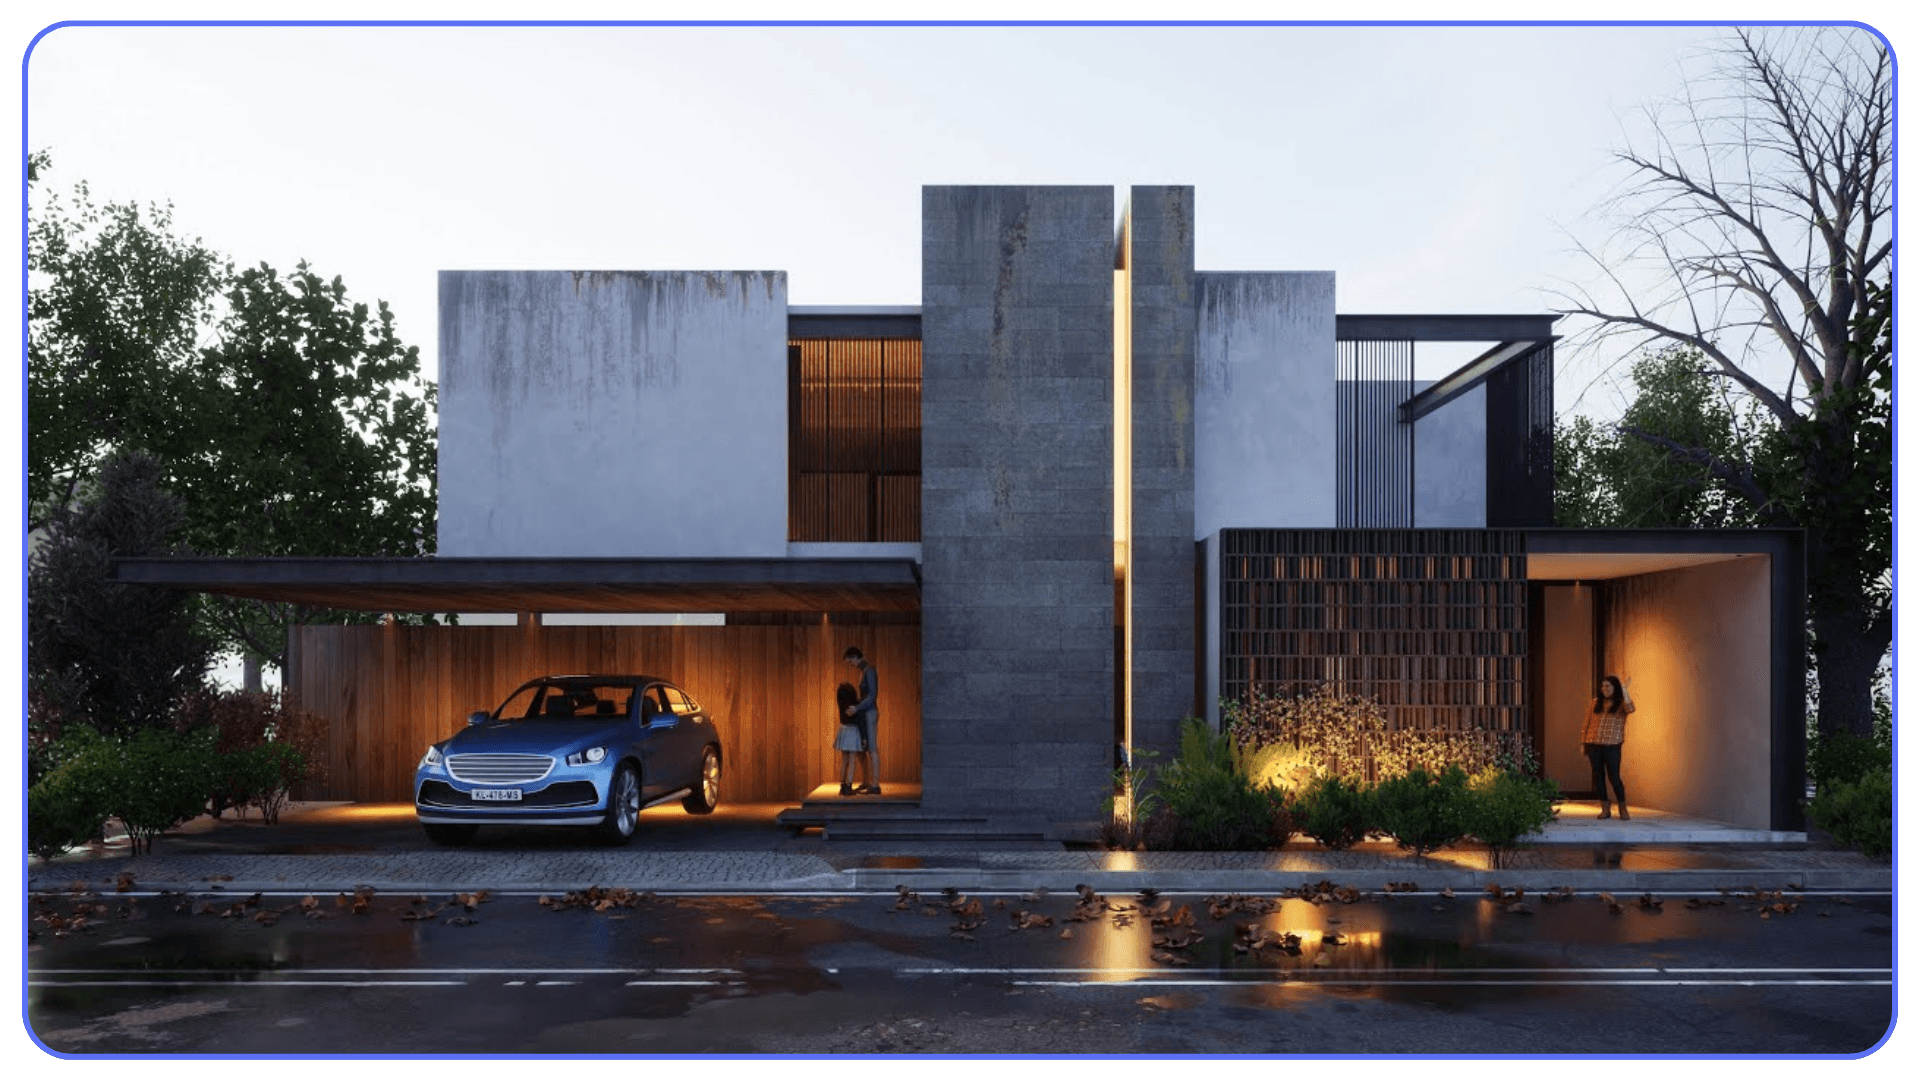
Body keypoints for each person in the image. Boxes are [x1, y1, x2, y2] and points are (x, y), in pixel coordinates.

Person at [1582, 674, 1635, 820]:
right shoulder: (1595, 703)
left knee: (1614, 777)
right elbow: (1587, 723)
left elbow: (1631, 708)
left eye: (1608, 686)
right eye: (1603, 686)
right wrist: (1584, 743)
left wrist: (1624, 690)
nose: (1604, 689)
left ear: (1614, 688)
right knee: (1598, 778)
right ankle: (1605, 808)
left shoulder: (1621, 704)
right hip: (1594, 745)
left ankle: (1622, 808)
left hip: (1612, 746)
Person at [843, 645, 881, 795]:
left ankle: (875, 785)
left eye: (851, 662)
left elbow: (872, 696)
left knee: (872, 748)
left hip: (870, 713)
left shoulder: (870, 671)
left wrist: (857, 708)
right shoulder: (864, 671)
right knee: (862, 749)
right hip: (864, 713)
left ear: (855, 658)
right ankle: (866, 782)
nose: (851, 665)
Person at [833, 681, 865, 797]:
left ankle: (842, 786)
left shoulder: (841, 704)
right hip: (852, 731)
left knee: (844, 761)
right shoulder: (853, 707)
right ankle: (849, 786)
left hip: (843, 730)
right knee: (852, 761)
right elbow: (859, 720)